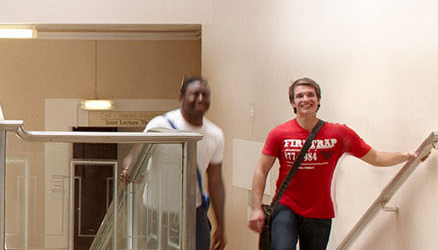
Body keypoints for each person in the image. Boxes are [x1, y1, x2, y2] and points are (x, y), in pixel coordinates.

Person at [247, 78, 422, 250]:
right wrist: (256, 208)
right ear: (293, 103)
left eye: (310, 95)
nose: (306, 99)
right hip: (286, 207)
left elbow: (374, 157)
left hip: (319, 211)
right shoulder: (279, 133)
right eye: (300, 96)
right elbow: (261, 170)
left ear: (318, 100)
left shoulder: (338, 133)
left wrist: (405, 156)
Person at [120, 77, 226, 250]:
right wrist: (130, 172)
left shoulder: (215, 134)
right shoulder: (160, 125)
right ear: (181, 98)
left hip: (194, 212)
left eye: (205, 95)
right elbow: (133, 157)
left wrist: (221, 225)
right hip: (157, 213)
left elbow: (215, 181)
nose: (200, 99)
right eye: (195, 94)